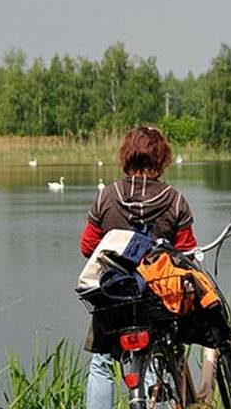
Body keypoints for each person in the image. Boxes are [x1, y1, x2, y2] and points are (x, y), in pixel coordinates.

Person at [80, 126, 198, 409]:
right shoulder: (175, 200)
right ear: (162, 159)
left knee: (101, 363)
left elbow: (87, 247)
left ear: (127, 156)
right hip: (158, 298)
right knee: (155, 361)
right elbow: (186, 252)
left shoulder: (106, 197)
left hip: (113, 298)